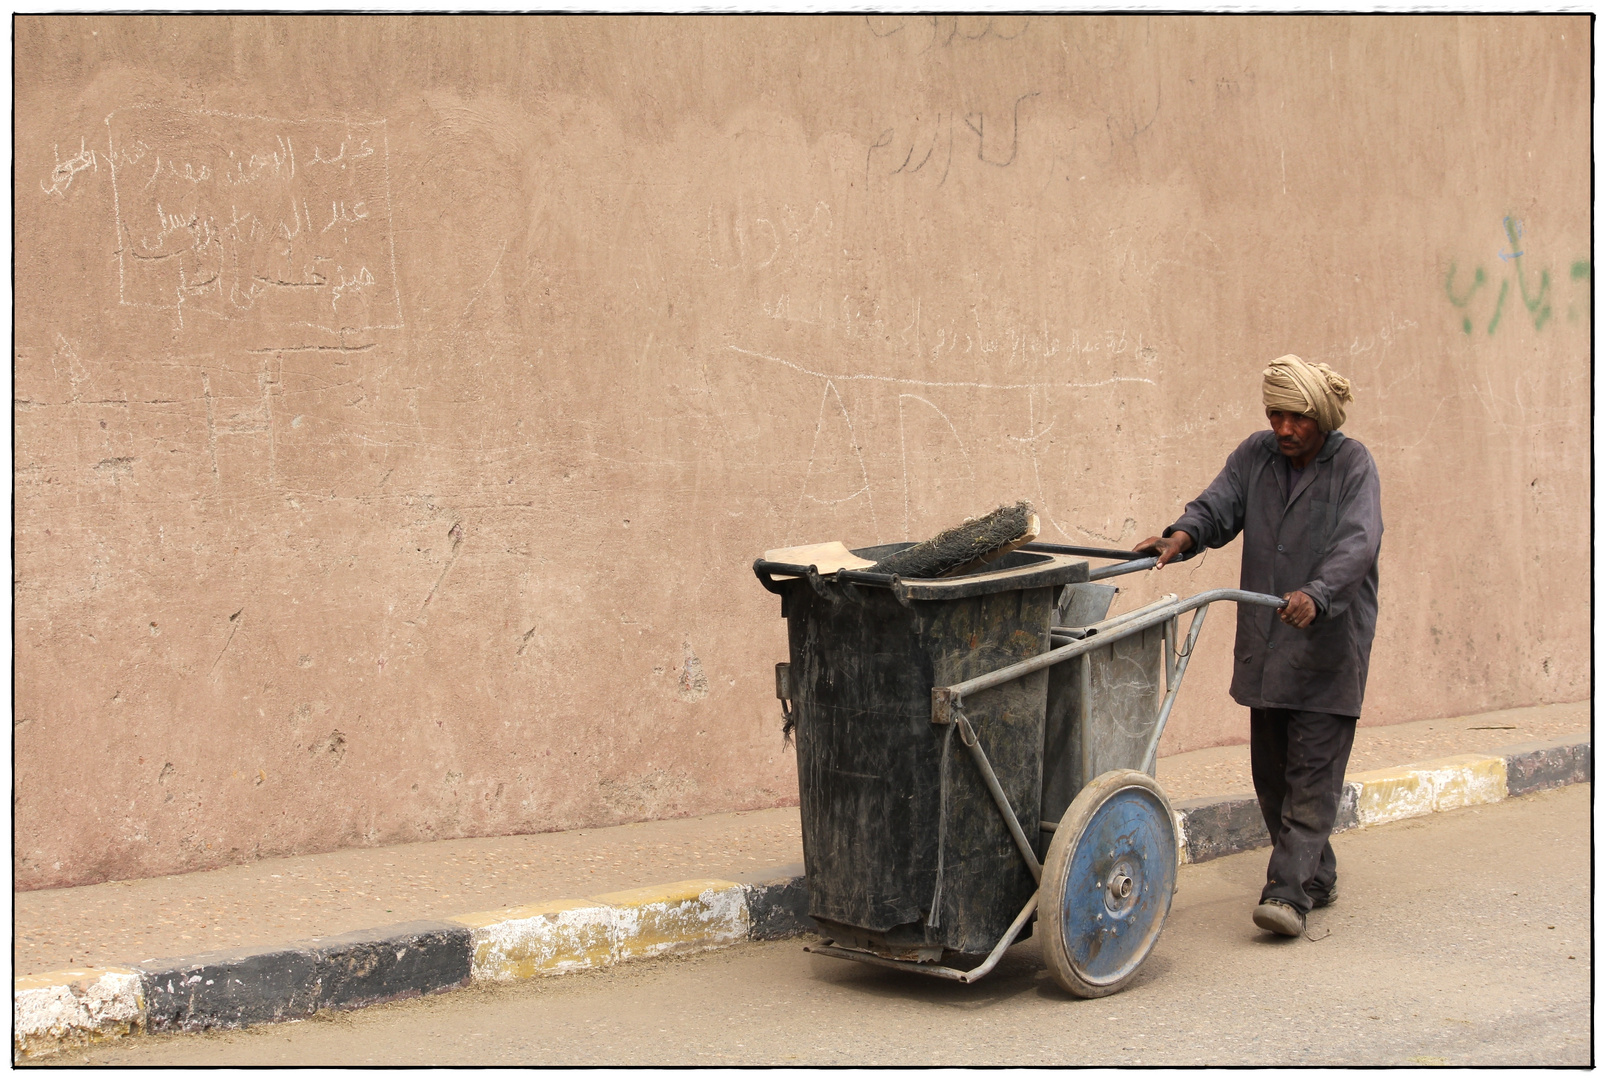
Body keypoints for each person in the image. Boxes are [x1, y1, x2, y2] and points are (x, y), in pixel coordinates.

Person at [1135, 354, 1382, 938]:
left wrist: (1318, 593)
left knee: (1312, 775)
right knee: (1271, 776)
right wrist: (1183, 535)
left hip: (1328, 642)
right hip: (1269, 640)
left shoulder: (1354, 465)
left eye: (1296, 418)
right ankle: (1315, 875)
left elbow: (1358, 542)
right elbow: (1219, 504)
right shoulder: (1256, 455)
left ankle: (1287, 895)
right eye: (1275, 415)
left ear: (1321, 416)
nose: (1284, 429)